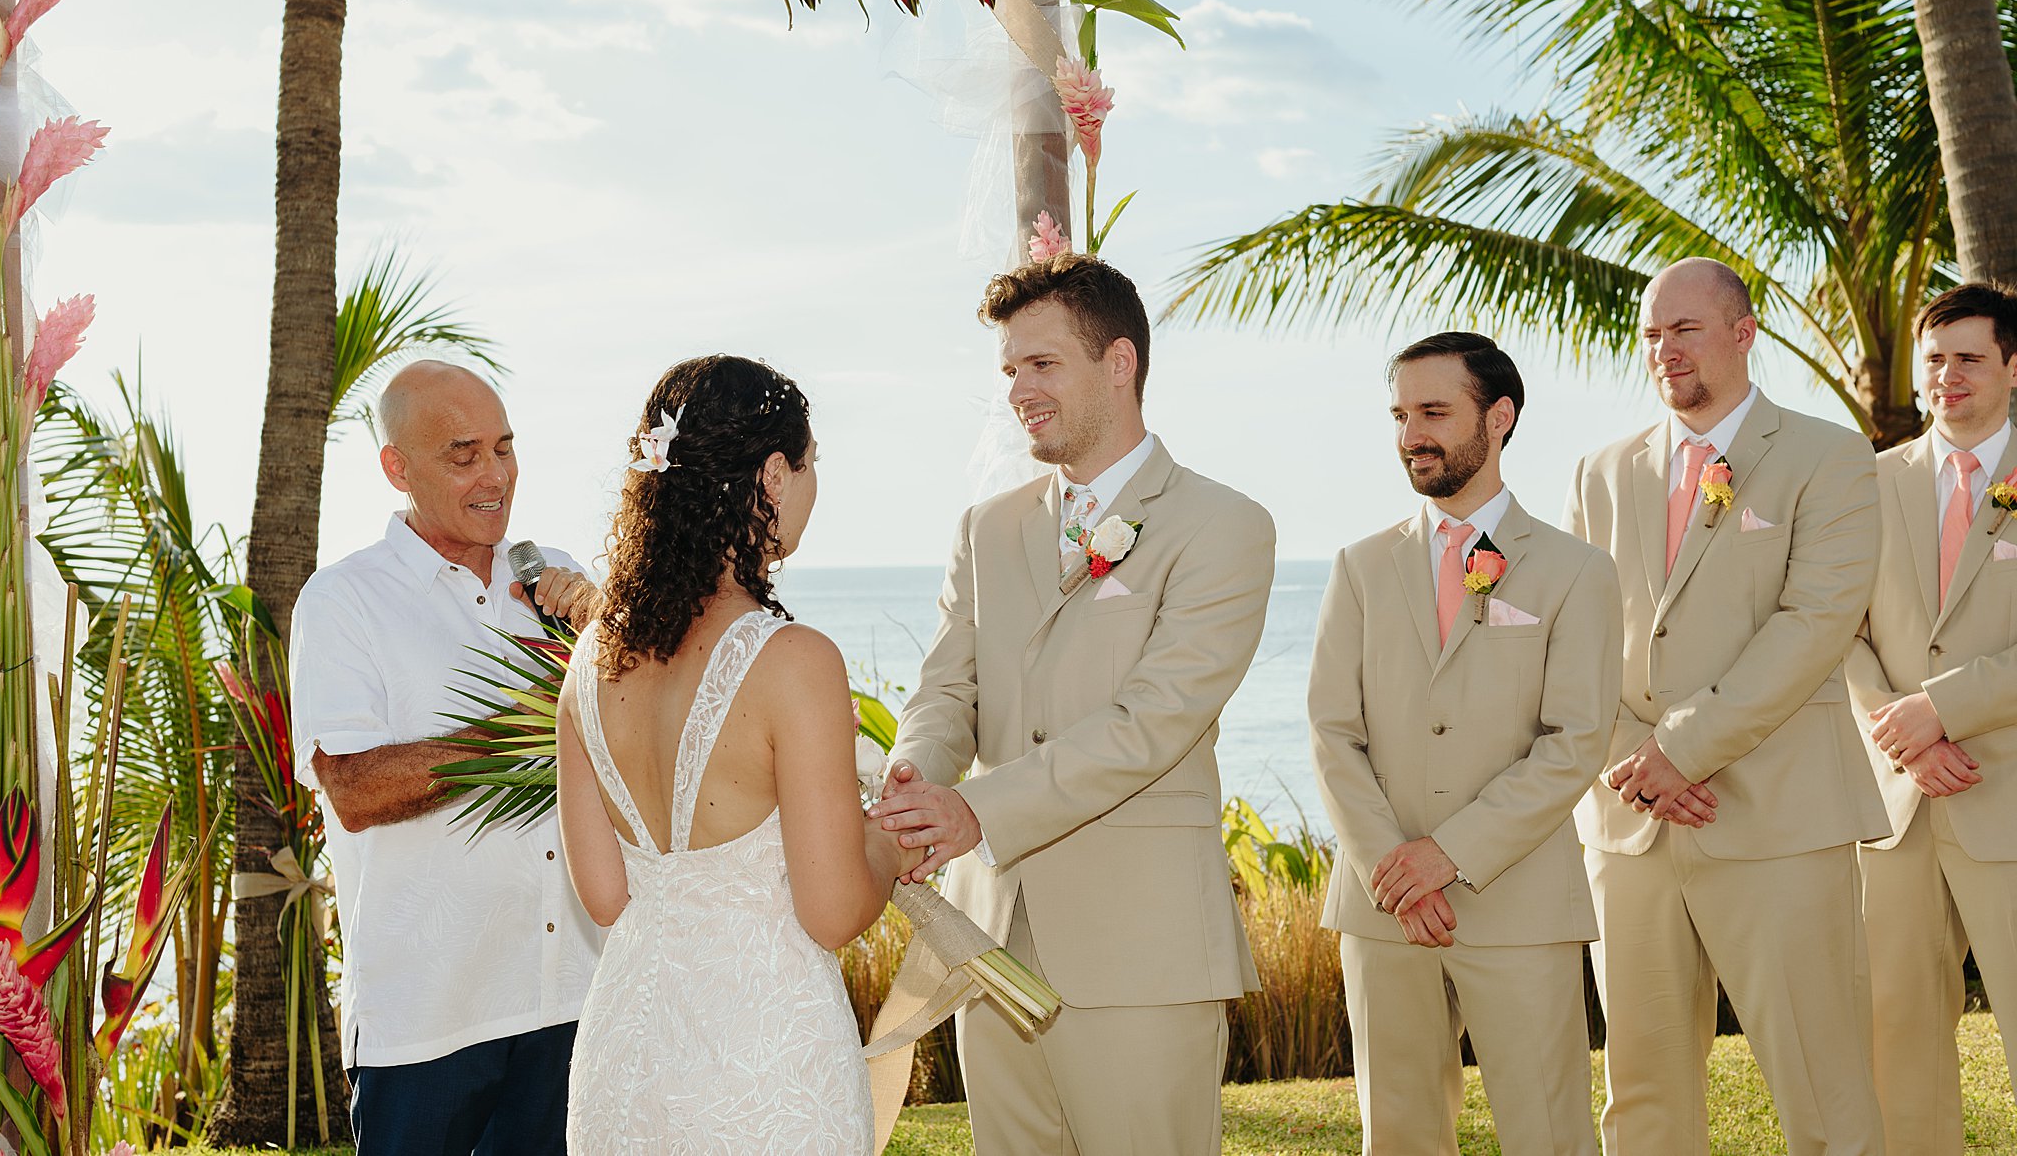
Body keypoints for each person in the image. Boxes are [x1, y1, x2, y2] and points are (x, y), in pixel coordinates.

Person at [870, 252, 1277, 1154]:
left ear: (1119, 362)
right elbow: (947, 687)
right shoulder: (988, 525)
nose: (1019, 389)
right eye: (1009, 369)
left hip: (1143, 950)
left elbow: (1152, 723)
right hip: (990, 939)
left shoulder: (1224, 525)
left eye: (1041, 364)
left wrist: (972, 808)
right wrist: (912, 783)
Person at [1564, 258, 1889, 1154]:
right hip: (1629, 820)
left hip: (1779, 813)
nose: (1663, 351)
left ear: (1743, 333)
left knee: (1824, 1092)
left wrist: (1685, 748)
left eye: (1686, 329)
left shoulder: (1827, 455)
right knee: (1641, 1095)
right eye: (1650, 335)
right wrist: (1636, 759)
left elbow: (1816, 621)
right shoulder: (1600, 472)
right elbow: (1574, 639)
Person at [555, 355, 918, 1154]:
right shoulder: (794, 661)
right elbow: (831, 910)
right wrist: (890, 841)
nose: (815, 486)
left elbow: (608, 897)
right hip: (763, 1060)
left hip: (626, 1060)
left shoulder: (592, 661)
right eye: (812, 463)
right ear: (775, 475)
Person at [1310, 332, 1619, 1156]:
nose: (1413, 433)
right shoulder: (1360, 566)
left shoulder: (1577, 570)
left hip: (1518, 902)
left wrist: (1446, 854)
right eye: (1402, 414)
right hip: (1384, 910)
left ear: (1500, 416)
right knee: (1400, 1135)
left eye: (1435, 412)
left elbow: (1575, 739)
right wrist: (1395, 867)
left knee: (1548, 1134)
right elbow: (1332, 731)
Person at [291, 360, 605, 1156]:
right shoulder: (343, 600)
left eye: (505, 448)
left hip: (574, 996)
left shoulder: (556, 584)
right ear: (398, 467)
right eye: (464, 455)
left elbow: (639, 745)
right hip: (426, 1021)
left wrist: (610, 637)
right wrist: (535, 722)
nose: (496, 475)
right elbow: (354, 788)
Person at [1847, 283, 2017, 1154]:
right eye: (1936, 360)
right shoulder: (1866, 483)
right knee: (1896, 1038)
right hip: (1896, 806)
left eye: (1970, 358)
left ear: (2014, 366)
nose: (1947, 377)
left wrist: (1941, 709)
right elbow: (1835, 629)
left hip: (2008, 792)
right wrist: (1900, 733)